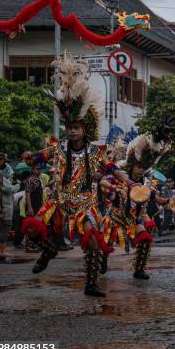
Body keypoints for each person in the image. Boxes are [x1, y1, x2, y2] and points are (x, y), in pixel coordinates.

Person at [21, 53, 128, 297]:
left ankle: (91, 283)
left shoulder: (94, 151)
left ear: (85, 130)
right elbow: (37, 159)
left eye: (76, 128)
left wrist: (127, 180)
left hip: (86, 205)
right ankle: (48, 251)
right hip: (58, 201)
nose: (72, 132)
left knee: (91, 240)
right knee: (32, 228)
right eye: (69, 128)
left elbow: (112, 168)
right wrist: (29, 156)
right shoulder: (57, 148)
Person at [101, 132, 175, 280]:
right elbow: (103, 182)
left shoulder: (146, 183)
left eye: (144, 167)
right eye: (139, 166)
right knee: (105, 246)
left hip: (133, 220)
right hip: (115, 217)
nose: (141, 170)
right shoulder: (121, 176)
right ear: (132, 165)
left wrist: (167, 201)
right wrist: (116, 189)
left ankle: (139, 269)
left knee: (145, 240)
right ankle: (102, 262)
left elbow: (157, 199)